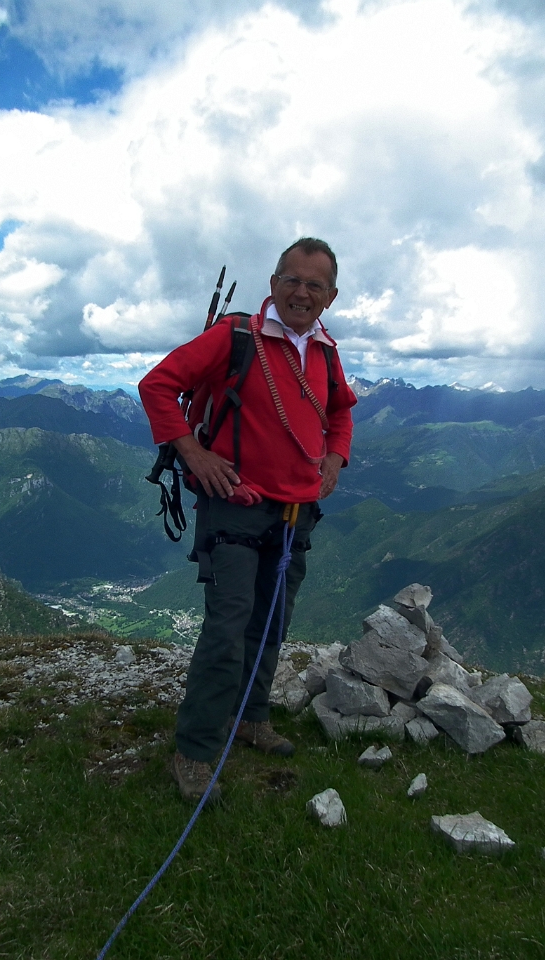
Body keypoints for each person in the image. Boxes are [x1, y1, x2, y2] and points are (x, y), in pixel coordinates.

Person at [138, 238, 359, 803]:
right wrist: (194, 453)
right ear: (273, 283)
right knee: (228, 626)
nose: (302, 292)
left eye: (315, 284)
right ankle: (195, 751)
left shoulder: (325, 353)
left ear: (331, 297)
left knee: (271, 621)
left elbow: (339, 413)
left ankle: (250, 717)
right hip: (234, 506)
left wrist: (335, 457)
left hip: (295, 513)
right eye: (292, 279)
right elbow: (157, 385)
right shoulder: (239, 337)